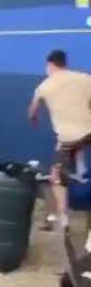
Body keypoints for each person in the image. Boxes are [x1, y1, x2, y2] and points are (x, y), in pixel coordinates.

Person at [28, 50, 91, 231]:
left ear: (50, 65)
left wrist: (34, 120)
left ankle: (62, 220)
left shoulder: (44, 86)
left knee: (56, 178)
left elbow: (32, 113)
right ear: (65, 63)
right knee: (79, 143)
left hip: (68, 139)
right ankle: (80, 166)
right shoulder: (84, 78)